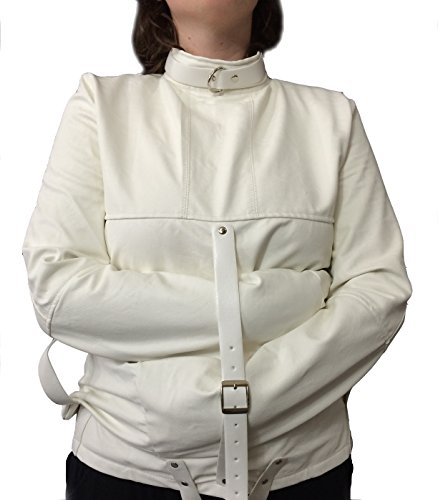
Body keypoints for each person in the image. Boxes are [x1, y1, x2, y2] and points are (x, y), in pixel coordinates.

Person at [21, 1, 413, 499]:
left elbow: (379, 289)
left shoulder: (331, 117)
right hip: (124, 474)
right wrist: (281, 301)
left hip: (302, 476)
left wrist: (220, 403)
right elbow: (58, 292)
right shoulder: (101, 106)